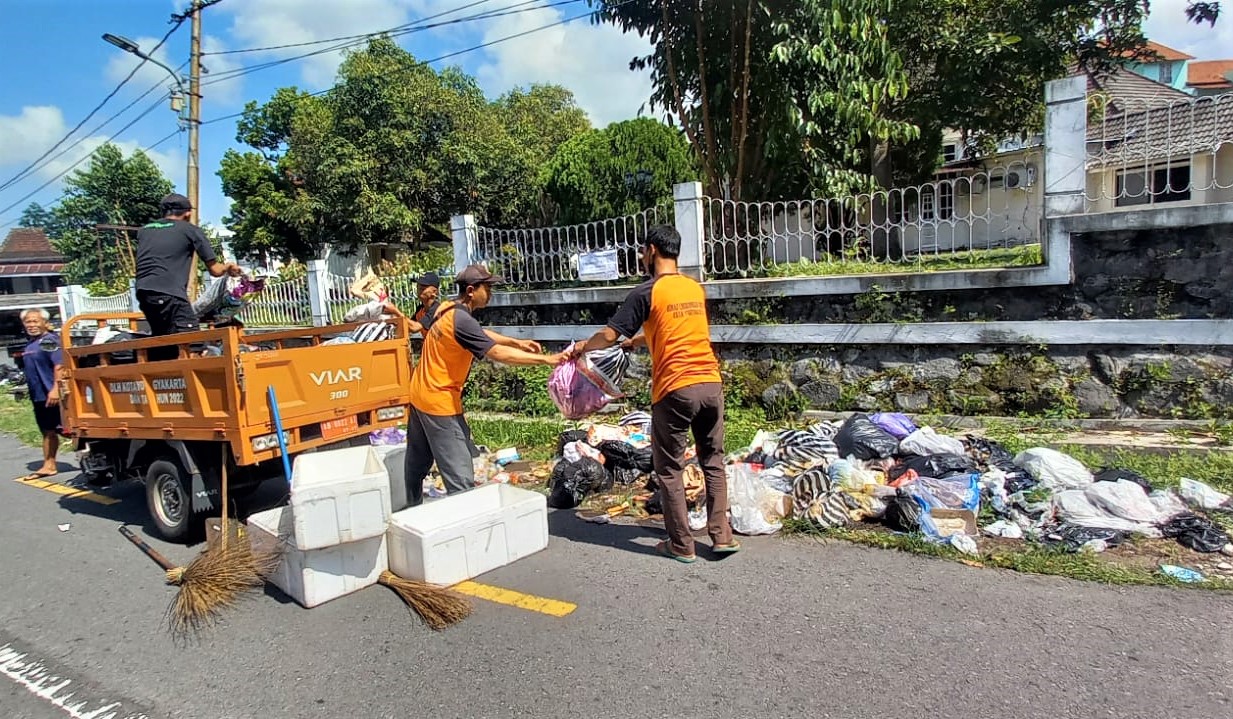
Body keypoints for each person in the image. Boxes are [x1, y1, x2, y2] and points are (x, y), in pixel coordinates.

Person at [569, 225, 737, 562]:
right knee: (713, 461)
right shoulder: (693, 289)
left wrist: (581, 347)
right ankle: (721, 536)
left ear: (651, 251)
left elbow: (608, 335)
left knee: (670, 468)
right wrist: (640, 339)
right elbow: (677, 330)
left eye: (643, 253)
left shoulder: (646, 292)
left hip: (675, 388)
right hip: (711, 383)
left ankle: (681, 544)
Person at [405, 264, 565, 505]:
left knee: (417, 462)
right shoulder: (460, 318)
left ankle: (411, 508)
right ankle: (467, 529)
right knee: (460, 477)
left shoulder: (448, 308)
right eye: (487, 288)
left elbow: (479, 333)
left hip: (419, 394)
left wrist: (516, 341)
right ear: (471, 290)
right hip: (439, 402)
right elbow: (497, 353)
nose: (490, 293)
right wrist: (546, 359)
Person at [135, 193, 241, 338]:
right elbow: (216, 270)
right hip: (169, 294)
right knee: (192, 342)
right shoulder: (191, 230)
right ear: (188, 214)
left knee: (163, 341)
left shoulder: (144, 231)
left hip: (143, 293)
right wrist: (228, 267)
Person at [20, 308, 64, 478]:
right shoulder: (31, 344)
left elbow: (59, 365)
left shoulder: (48, 341)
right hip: (38, 396)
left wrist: (55, 389)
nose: (31, 325)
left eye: (35, 321)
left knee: (55, 430)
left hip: (50, 394)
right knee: (48, 430)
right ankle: (49, 464)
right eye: (28, 322)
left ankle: (49, 465)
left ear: (45, 323)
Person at [407, 271, 442, 337]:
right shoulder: (420, 309)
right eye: (418, 286)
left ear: (434, 292)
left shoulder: (436, 309)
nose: (419, 289)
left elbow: (415, 327)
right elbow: (409, 326)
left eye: (423, 287)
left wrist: (395, 311)